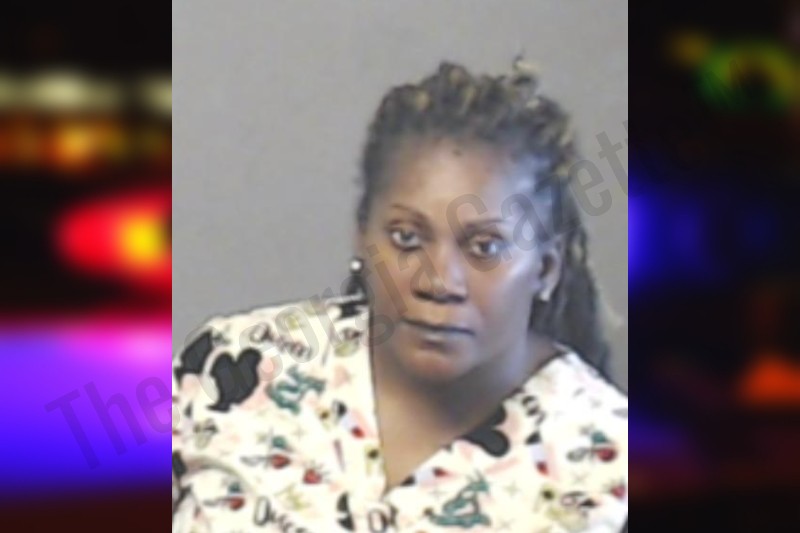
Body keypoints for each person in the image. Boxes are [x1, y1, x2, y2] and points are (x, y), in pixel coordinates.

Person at [172, 58, 628, 532]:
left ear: (545, 269)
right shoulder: (236, 369)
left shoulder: (609, 473)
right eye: (407, 238)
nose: (439, 282)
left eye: (484, 247)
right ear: (362, 237)